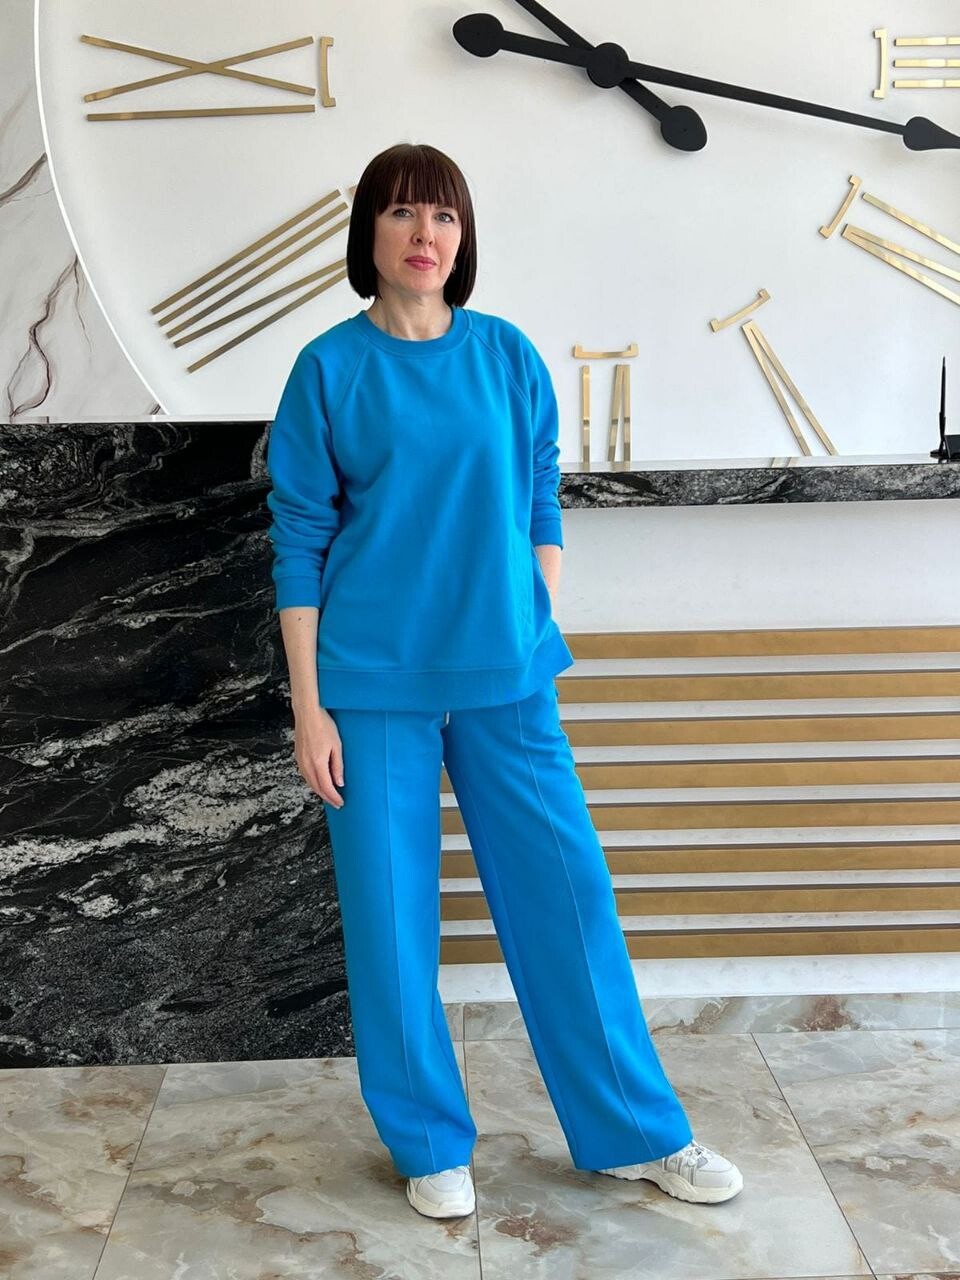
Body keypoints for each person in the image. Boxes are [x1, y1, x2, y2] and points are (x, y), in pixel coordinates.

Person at [265, 142, 743, 1220]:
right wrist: (308, 705)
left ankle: (635, 1131)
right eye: (402, 213)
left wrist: (537, 608)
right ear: (370, 233)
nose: (424, 234)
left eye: (443, 215)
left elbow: (538, 492)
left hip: (508, 674)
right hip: (369, 682)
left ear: (463, 236)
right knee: (391, 922)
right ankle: (427, 1141)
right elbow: (298, 541)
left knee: (568, 897)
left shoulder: (508, 355)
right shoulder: (328, 370)